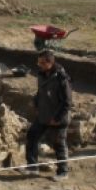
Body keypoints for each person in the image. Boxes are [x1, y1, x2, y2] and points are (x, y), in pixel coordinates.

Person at [24, 50, 72, 181]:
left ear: (50, 62)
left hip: (57, 118)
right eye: (38, 62)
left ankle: (63, 172)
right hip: (43, 115)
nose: (39, 65)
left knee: (59, 144)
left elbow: (67, 102)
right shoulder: (41, 74)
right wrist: (36, 104)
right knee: (32, 136)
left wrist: (56, 118)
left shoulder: (62, 79)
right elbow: (40, 92)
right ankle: (32, 167)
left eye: (42, 63)